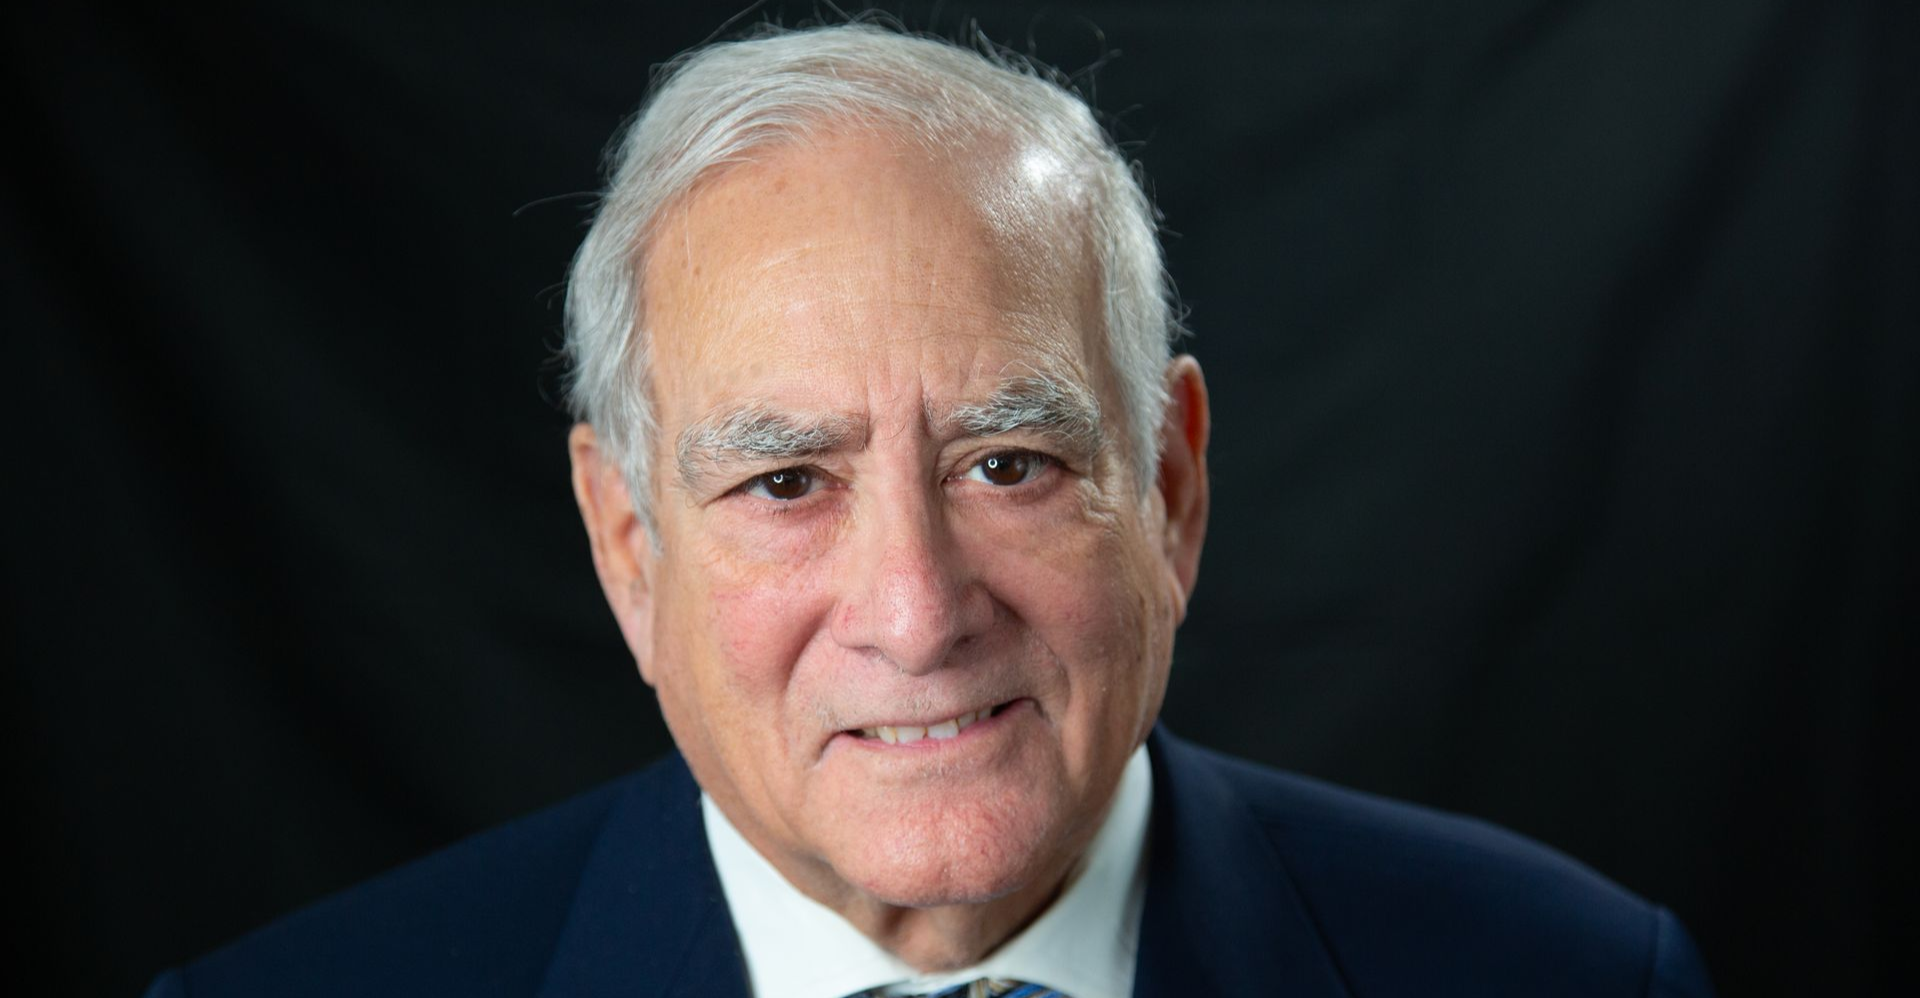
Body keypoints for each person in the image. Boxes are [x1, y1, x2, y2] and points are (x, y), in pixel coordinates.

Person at [146, 22, 1716, 998]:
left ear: (1168, 489)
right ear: (630, 545)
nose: (916, 608)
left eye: (1007, 462)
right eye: (785, 482)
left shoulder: (1570, 973)